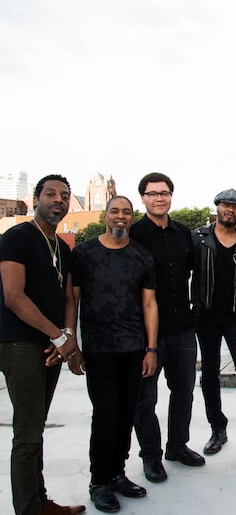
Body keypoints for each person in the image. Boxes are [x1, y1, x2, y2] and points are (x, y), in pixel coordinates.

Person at [0, 174, 85, 515]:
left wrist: (66, 337)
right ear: (35, 199)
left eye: (64, 195)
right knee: (27, 434)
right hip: (20, 344)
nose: (59, 200)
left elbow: (69, 299)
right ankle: (28, 510)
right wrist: (57, 335)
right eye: (50, 194)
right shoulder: (17, 237)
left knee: (35, 428)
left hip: (50, 347)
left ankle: (40, 503)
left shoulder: (62, 247)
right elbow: (13, 297)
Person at [71, 195, 159, 513]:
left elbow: (150, 305)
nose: (120, 217)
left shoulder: (142, 256)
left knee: (126, 414)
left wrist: (151, 349)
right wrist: (72, 344)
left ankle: (118, 473)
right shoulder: (83, 253)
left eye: (126, 212)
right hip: (98, 349)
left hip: (133, 348)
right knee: (106, 415)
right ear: (105, 217)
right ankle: (99, 481)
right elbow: (73, 301)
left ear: (132, 218)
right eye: (114, 211)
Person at [130, 173, 204, 484]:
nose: (159, 198)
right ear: (143, 198)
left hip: (183, 327)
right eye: (152, 194)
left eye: (164, 193)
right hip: (148, 331)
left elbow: (191, 273)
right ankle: (151, 456)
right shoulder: (133, 235)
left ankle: (177, 445)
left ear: (171, 196)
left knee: (184, 390)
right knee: (145, 398)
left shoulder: (183, 234)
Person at [191, 189, 236, 465]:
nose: (230, 210)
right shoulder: (198, 239)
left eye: (235, 207)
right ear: (217, 207)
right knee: (209, 374)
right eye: (226, 205)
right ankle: (217, 430)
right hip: (206, 316)